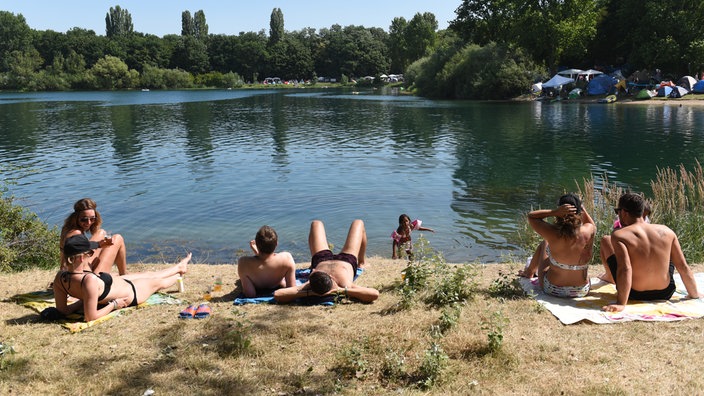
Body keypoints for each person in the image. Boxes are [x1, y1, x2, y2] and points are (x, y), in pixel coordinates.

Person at [53, 234, 190, 322]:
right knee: (158, 282)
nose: (91, 254)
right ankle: (179, 274)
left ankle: (179, 267)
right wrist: (114, 305)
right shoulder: (88, 281)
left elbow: (63, 310)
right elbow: (90, 317)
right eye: (90, 253)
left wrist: (83, 302)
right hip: (131, 293)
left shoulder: (60, 277)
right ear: (82, 257)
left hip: (122, 283)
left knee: (148, 274)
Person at [601, 193, 700, 312]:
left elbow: (625, 269)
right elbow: (682, 266)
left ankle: (609, 278)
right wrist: (694, 294)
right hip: (665, 292)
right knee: (670, 256)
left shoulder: (620, 235)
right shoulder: (667, 231)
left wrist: (621, 303)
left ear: (624, 212)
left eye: (618, 212)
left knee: (610, 246)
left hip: (635, 293)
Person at [274, 219, 379, 303]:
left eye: (313, 271)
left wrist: (308, 293)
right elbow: (374, 294)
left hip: (321, 260)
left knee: (316, 223)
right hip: (346, 260)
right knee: (358, 223)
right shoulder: (344, 284)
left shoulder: (307, 286)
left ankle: (314, 262)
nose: (314, 270)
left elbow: (278, 294)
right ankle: (361, 262)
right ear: (332, 278)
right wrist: (341, 290)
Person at [519, 193, 596, 298]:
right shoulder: (588, 230)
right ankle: (529, 272)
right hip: (581, 290)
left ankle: (529, 273)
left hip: (553, 288)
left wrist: (554, 212)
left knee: (545, 243)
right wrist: (581, 207)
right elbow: (591, 224)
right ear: (579, 212)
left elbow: (531, 216)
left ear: (560, 210)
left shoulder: (552, 232)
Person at [60, 198, 128, 275]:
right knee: (118, 238)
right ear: (76, 218)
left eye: (92, 219)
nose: (88, 223)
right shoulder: (75, 232)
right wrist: (98, 244)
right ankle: (124, 275)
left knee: (101, 232)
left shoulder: (67, 228)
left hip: (75, 268)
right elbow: (76, 243)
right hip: (85, 275)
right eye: (84, 219)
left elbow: (66, 251)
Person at [598, 200, 651, 281]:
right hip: (648, 274)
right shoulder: (653, 229)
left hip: (630, 277)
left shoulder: (622, 224)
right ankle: (610, 275)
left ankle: (610, 276)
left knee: (605, 240)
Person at [237, 225, 296, 297]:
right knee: (283, 281)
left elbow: (250, 294)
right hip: (276, 282)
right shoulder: (287, 258)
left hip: (258, 285)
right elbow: (292, 289)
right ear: (276, 244)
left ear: (257, 245)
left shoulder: (243, 263)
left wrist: (258, 253)